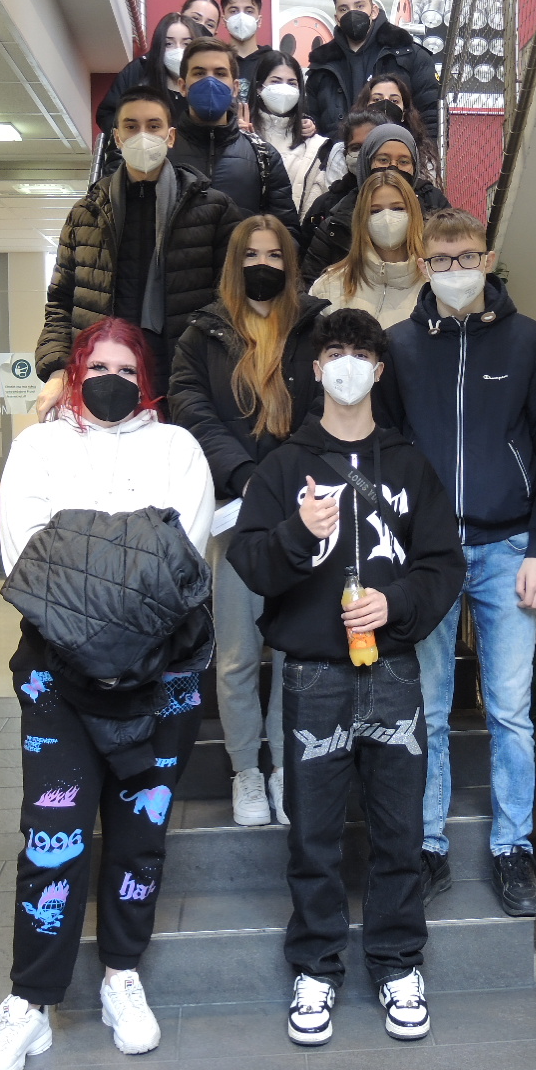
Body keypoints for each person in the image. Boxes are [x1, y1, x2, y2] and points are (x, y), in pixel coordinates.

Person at [0, 319, 215, 1070]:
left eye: (127, 368)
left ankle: (121, 977)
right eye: (98, 365)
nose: (113, 378)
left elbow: (183, 565)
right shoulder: (38, 448)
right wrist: (133, 549)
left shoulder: (178, 449)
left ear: (146, 380)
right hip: (57, 679)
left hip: (163, 678)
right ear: (76, 371)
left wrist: (81, 549)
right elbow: (26, 560)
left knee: (139, 839)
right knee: (54, 839)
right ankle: (29, 1002)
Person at [228, 308, 465, 1047]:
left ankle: (398, 963)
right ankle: (316, 967)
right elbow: (251, 561)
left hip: (393, 670)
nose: (347, 365)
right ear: (316, 367)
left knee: (399, 831)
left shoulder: (409, 463)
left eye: (360, 353)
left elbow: (444, 564)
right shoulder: (284, 464)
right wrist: (300, 534)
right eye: (334, 352)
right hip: (313, 676)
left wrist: (397, 605)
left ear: (379, 369)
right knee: (314, 835)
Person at [379, 209, 536, 917]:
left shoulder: (530, 342)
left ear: (487, 260)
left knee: (510, 711)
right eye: (441, 259)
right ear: (423, 266)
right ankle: (428, 843)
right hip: (427, 555)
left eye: (467, 257)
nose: (455, 270)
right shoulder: (399, 346)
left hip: (508, 546)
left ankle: (513, 848)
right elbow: (386, 451)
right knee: (426, 707)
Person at [169, 216, 330, 827]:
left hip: (303, 510)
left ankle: (286, 767)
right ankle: (246, 772)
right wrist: (243, 474)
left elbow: (328, 406)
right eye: (251, 255)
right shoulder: (201, 334)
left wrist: (284, 479)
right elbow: (191, 406)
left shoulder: (315, 327)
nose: (264, 264)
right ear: (234, 264)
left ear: (291, 263)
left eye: (275, 254)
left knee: (292, 651)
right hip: (235, 515)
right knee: (238, 655)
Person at [35, 85, 244, 409]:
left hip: (188, 383)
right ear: (117, 138)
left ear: (170, 137)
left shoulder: (213, 210)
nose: (142, 135)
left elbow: (232, 302)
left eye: (153, 126)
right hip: (103, 384)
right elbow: (60, 303)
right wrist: (57, 370)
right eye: (131, 126)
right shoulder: (87, 214)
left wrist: (218, 369)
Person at [170, 37, 299, 228]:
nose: (210, 82)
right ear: (182, 86)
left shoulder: (264, 156)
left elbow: (286, 232)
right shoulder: (162, 151)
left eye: (220, 73)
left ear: (235, 87)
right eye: (199, 73)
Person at [300, 123, 448, 287]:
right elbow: (309, 283)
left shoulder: (434, 207)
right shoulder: (336, 221)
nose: (393, 167)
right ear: (367, 163)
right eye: (383, 160)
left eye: (404, 161)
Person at [304, 0, 441, 142]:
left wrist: (427, 155)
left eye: (359, 6)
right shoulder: (321, 67)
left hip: (397, 155)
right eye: (344, 9)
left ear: (374, 11)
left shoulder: (411, 56)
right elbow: (310, 123)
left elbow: (432, 116)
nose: (352, 13)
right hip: (337, 157)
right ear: (337, 18)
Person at [309, 169, 426, 328]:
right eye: (375, 211)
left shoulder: (433, 285)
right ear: (361, 218)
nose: (387, 218)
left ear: (414, 214)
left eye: (397, 208)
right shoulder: (327, 286)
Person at [249, 50, 332, 218]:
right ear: (259, 87)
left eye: (292, 83)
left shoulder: (315, 144)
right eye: (275, 81)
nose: (284, 89)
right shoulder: (243, 135)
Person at [96, 12, 196, 141]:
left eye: (186, 44)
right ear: (159, 46)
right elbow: (107, 114)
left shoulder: (206, 80)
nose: (178, 50)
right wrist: (133, 136)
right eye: (168, 44)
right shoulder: (139, 71)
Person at [327, 75, 439, 183]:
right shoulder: (341, 150)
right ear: (364, 106)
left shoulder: (422, 151)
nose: (386, 103)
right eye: (377, 99)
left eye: (394, 101)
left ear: (405, 112)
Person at [221, 0, 268, 99]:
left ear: (259, 21)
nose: (241, 17)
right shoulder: (217, 60)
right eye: (233, 11)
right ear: (224, 20)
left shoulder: (272, 61)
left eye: (249, 11)